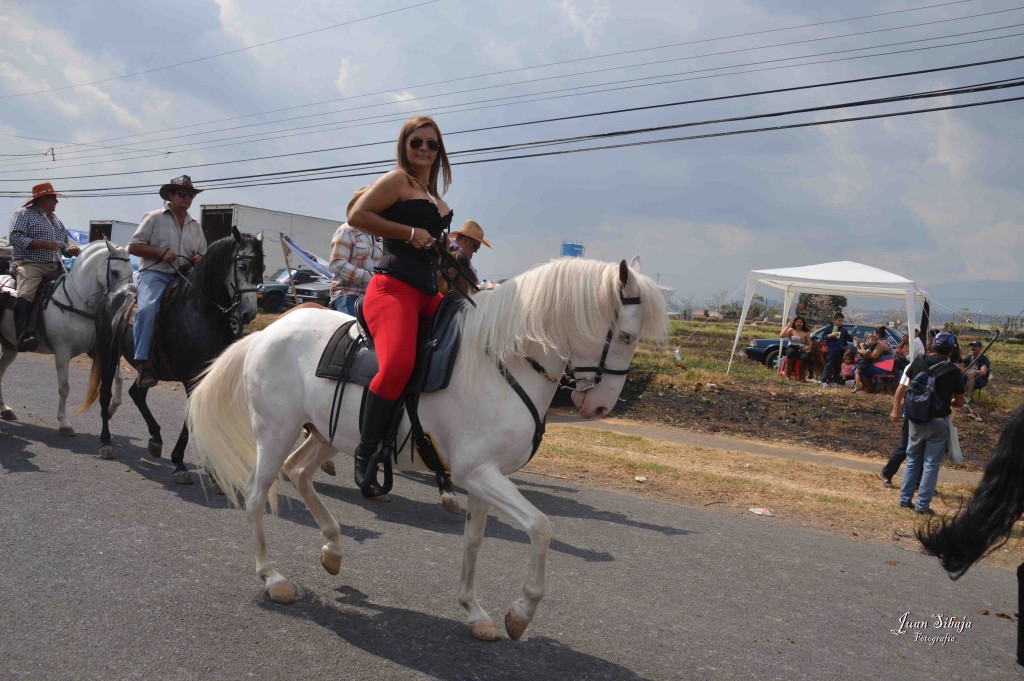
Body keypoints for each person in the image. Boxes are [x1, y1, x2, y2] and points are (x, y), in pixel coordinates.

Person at [346, 115, 453, 489]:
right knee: (396, 367)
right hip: (392, 289)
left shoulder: (437, 199)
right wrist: (410, 233)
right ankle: (367, 450)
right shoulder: (396, 181)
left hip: (428, 293)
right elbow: (356, 215)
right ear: (404, 146)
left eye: (432, 144)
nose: (424, 149)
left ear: (440, 152)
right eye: (416, 142)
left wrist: (441, 251)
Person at [128, 175, 207, 389]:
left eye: (190, 195)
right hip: (156, 274)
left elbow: (203, 253)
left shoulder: (195, 225)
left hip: (186, 277)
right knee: (148, 309)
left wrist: (200, 259)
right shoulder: (154, 217)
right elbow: (134, 247)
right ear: (171, 195)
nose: (187, 198)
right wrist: (160, 252)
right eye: (182, 194)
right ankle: (143, 362)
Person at [889, 331, 964, 514]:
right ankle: (922, 506)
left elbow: (904, 386)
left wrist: (896, 408)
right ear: (951, 349)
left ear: (932, 345)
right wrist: (947, 401)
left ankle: (904, 499)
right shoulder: (953, 371)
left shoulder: (919, 361)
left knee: (913, 459)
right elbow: (960, 403)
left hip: (915, 418)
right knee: (931, 464)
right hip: (938, 422)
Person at [7, 182, 80, 351]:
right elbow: (15, 238)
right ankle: (22, 335)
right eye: (54, 198)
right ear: (43, 199)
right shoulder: (23, 214)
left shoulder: (56, 221)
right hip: (29, 264)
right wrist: (42, 244)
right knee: (26, 293)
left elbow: (63, 245)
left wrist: (71, 250)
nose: (57, 202)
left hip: (54, 265)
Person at [328, 186, 381, 316]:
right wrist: (372, 278)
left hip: (375, 296)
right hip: (348, 295)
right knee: (357, 330)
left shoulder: (380, 236)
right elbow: (337, 265)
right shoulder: (346, 230)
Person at [853, 326, 894, 393]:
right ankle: (866, 387)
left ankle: (869, 388)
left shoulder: (880, 343)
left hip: (883, 367)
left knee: (857, 370)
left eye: (873, 333)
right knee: (857, 368)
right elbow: (867, 348)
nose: (872, 334)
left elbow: (873, 356)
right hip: (879, 365)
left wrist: (860, 351)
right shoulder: (877, 342)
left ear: (877, 335)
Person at [820, 312, 852, 386]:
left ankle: (836, 381)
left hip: (840, 350)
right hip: (831, 350)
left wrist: (854, 338)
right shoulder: (829, 328)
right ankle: (824, 381)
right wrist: (831, 335)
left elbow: (848, 338)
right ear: (834, 320)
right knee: (829, 365)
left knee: (837, 366)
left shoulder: (843, 330)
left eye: (842, 321)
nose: (840, 322)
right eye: (839, 320)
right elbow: (823, 337)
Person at [960, 339, 991, 403]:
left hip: (980, 380)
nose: (972, 348)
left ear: (980, 348)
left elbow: (983, 372)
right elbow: (962, 365)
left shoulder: (983, 358)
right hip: (969, 377)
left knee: (970, 373)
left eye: (975, 346)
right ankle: (956, 395)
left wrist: (969, 370)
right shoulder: (969, 356)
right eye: (972, 346)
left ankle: (968, 398)